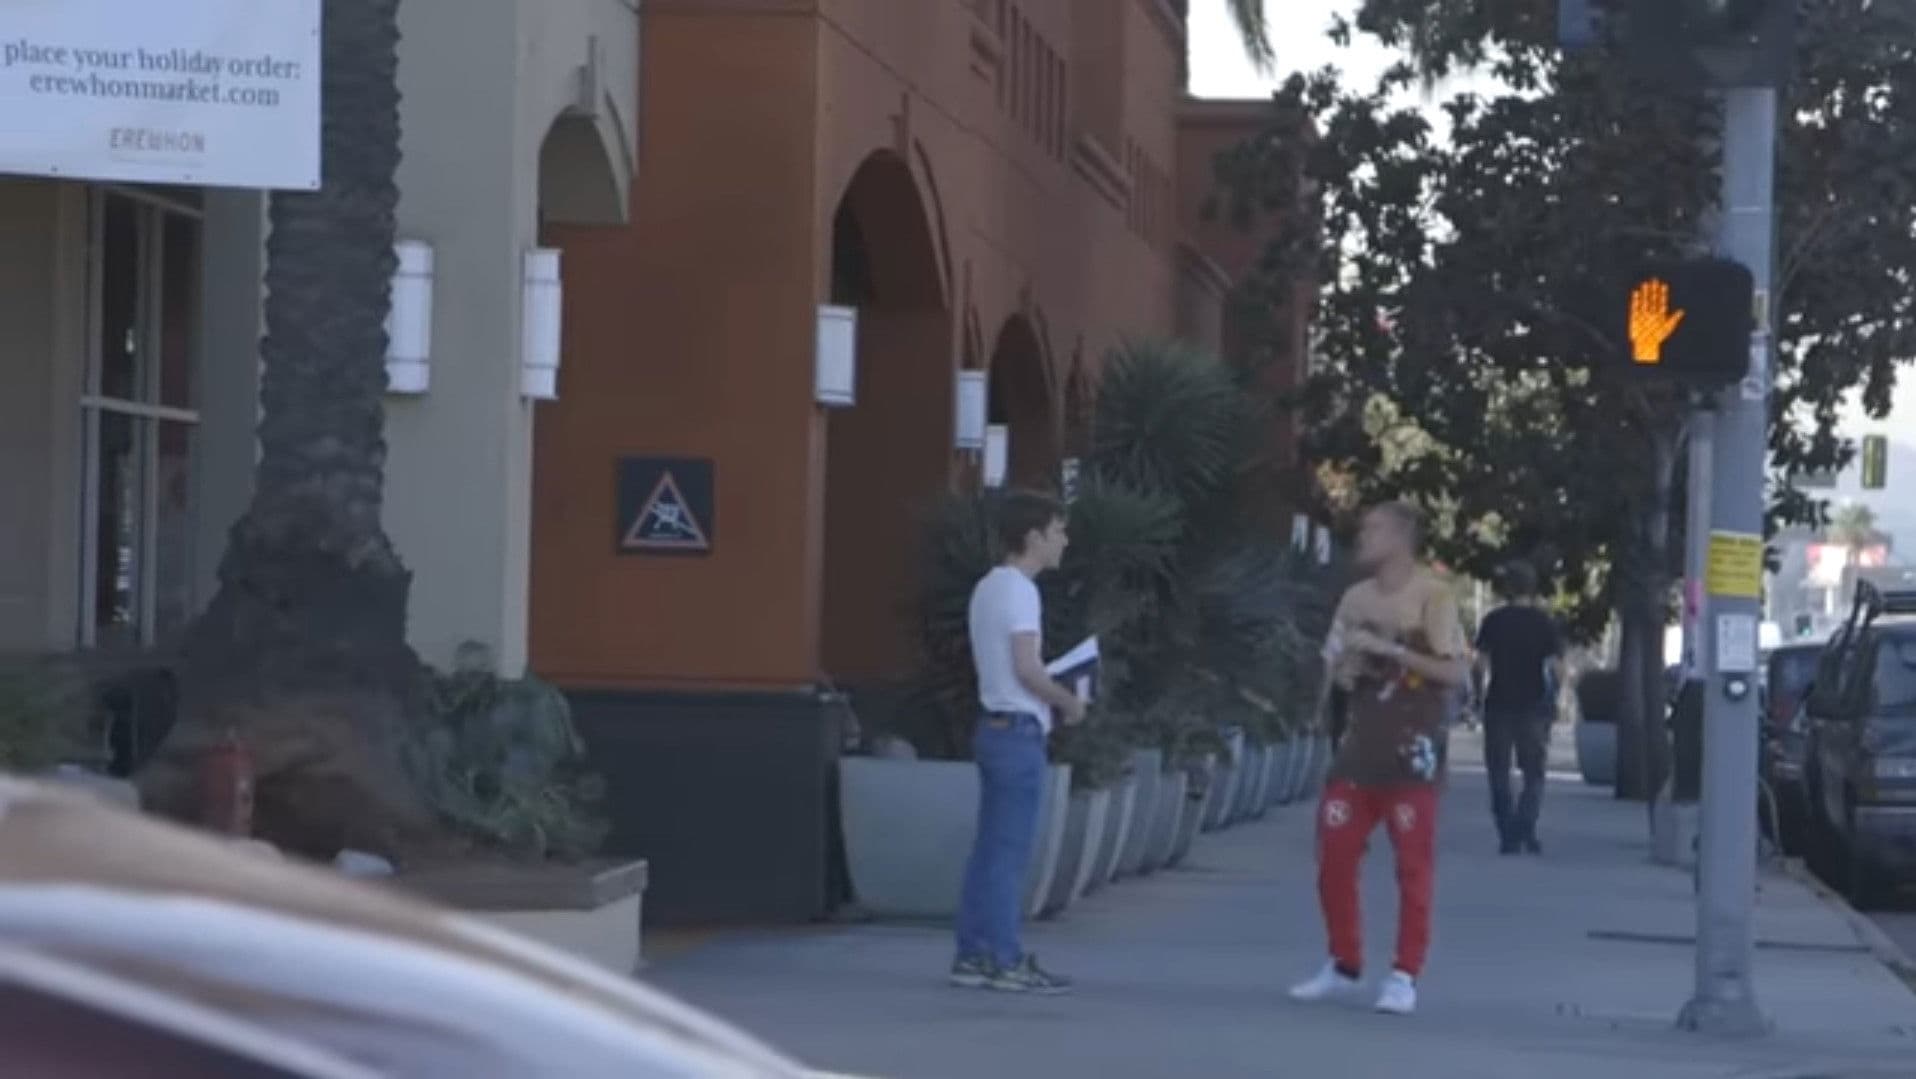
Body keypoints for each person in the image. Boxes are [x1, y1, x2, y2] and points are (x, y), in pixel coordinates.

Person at [1290, 502, 1469, 1016]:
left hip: (1412, 754)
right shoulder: (1355, 598)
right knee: (1334, 853)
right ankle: (1344, 962)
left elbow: (1454, 673)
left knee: (1413, 867)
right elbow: (1332, 660)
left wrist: (1392, 652)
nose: (1363, 537)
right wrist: (1332, 685)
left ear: (1400, 537)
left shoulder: (1434, 596)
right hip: (1357, 750)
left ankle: (1404, 974)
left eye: (1374, 529)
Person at [949, 490, 1086, 995]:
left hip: (993, 726)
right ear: (1033, 536)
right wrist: (1068, 702)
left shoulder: (988, 587)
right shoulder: (1022, 592)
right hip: (1019, 732)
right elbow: (1027, 668)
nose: (1064, 541)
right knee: (1008, 854)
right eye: (1057, 531)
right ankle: (1005, 959)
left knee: (990, 851)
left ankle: (973, 953)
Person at [1474, 562, 1565, 855]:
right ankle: (1526, 824)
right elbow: (1557, 668)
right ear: (1533, 588)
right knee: (1534, 772)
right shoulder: (1544, 623)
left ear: (1506, 589)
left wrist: (1478, 695)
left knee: (1498, 771)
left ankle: (1507, 832)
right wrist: (1554, 696)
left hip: (1499, 702)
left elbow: (1480, 665)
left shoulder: (1493, 621)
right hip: (1534, 705)